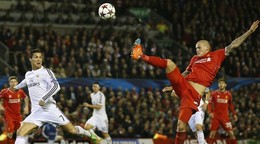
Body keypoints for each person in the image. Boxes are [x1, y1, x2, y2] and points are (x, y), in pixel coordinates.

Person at [130, 20, 259, 144]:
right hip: (183, 85)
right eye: (196, 48)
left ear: (207, 47)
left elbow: (233, 44)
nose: (197, 50)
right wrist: (173, 85)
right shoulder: (194, 59)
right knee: (169, 63)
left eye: (199, 47)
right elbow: (185, 73)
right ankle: (141, 55)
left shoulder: (217, 56)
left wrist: (249, 31)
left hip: (192, 96)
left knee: (181, 127)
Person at [14, 49, 101, 144]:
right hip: (36, 112)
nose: (38, 59)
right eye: (36, 57)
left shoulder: (46, 72)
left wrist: (44, 98)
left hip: (49, 109)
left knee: (72, 131)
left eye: (40, 57)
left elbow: (56, 86)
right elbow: (25, 82)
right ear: (30, 59)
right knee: (20, 132)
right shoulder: (28, 74)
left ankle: (89, 134)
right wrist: (16, 87)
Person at [0, 76, 29, 144]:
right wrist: (0, 106)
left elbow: (26, 98)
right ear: (9, 83)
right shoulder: (5, 91)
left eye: (15, 82)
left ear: (17, 83)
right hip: (8, 115)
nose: (13, 83)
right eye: (11, 82)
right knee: (10, 133)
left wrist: (26, 107)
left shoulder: (20, 91)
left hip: (17, 115)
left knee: (18, 132)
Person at [207, 78, 238, 144]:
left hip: (225, 118)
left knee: (231, 134)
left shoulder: (228, 95)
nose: (221, 84)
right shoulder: (214, 94)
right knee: (212, 134)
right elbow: (209, 103)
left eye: (222, 83)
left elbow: (230, 105)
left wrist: (234, 114)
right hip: (216, 117)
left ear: (225, 85)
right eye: (219, 83)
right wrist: (210, 112)